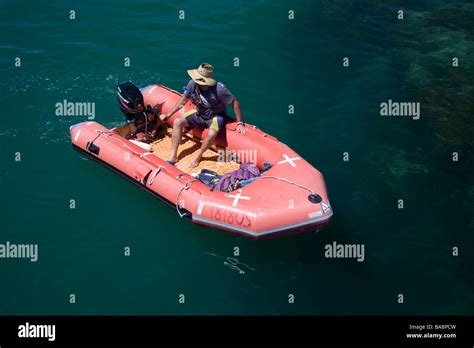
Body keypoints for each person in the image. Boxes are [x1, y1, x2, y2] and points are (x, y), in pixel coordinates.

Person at [159, 63, 247, 168]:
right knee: (177, 122)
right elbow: (183, 100)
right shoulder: (192, 84)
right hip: (199, 113)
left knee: (211, 133)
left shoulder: (219, 89)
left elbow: (235, 103)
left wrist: (240, 122)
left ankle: (198, 156)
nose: (196, 81)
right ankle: (173, 156)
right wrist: (169, 115)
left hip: (215, 116)